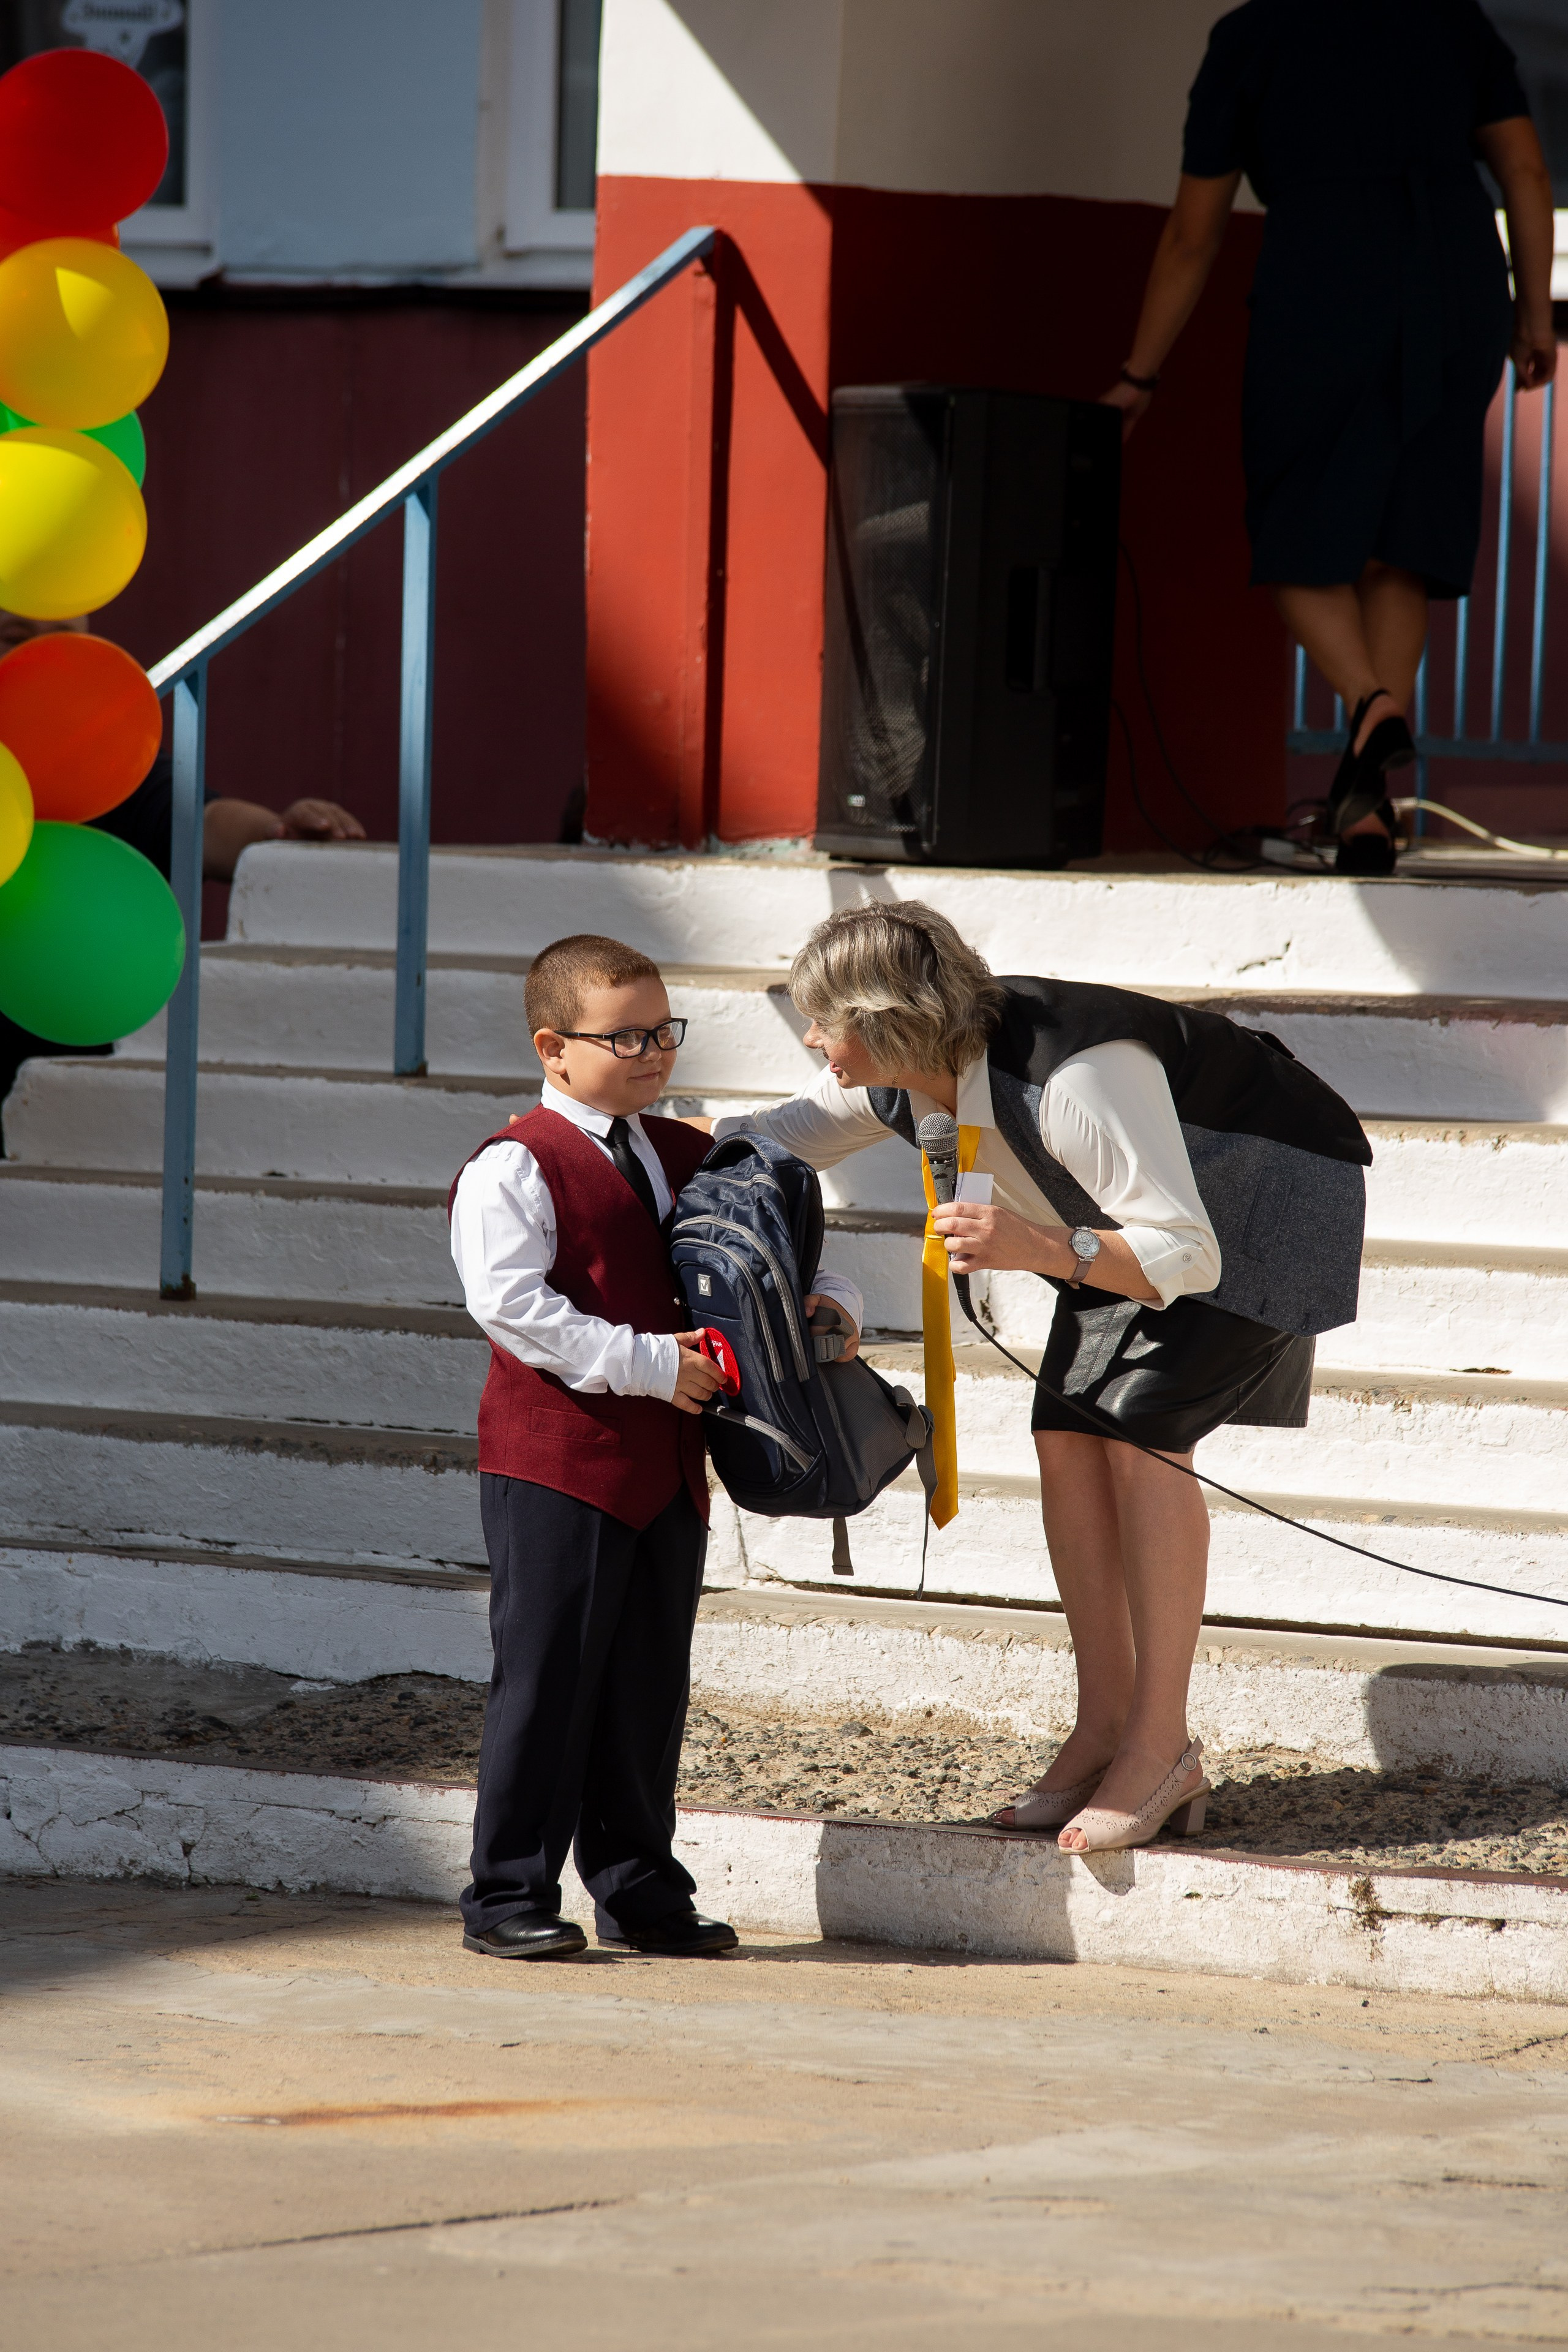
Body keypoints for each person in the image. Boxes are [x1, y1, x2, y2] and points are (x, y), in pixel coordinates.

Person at [705, 900, 1369, 1855]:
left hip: (1258, 1203)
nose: (811, 1040)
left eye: (825, 1019)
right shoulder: (902, 1076)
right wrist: (626, 1145)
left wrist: (1037, 1244)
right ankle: (1102, 1726)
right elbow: (771, 1134)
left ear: (888, 1018)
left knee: (1144, 1440)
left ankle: (1161, 1747)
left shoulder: (1078, 1081)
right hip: (1112, 1231)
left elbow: (1187, 1252)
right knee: (1065, 1437)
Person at [448, 932, 862, 1959]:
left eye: (664, 1030)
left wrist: (830, 1305)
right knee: (547, 1680)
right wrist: (646, 1365)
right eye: (626, 1036)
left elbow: (777, 1256)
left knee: (644, 1686)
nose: (653, 1052)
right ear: (554, 1048)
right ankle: (508, 1897)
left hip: (671, 1469)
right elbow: (509, 1307)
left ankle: (639, 1890)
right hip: (559, 1462)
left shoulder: (688, 1150)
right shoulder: (515, 1164)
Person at [1106, 0, 1557, 873]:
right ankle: (1366, 811)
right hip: (1456, 279)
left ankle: (1370, 700)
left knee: (1295, 530)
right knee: (1402, 546)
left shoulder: (1252, 37)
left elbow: (1193, 233)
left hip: (1325, 278)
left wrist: (1140, 373)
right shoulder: (1452, 23)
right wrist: (1533, 314)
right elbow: (1528, 173)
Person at [0, 609, 364, 1139]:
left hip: (61, 1091)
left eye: (63, 636)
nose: (42, 652)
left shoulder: (103, 763)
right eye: (13, 635)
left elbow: (200, 820)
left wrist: (279, 830)